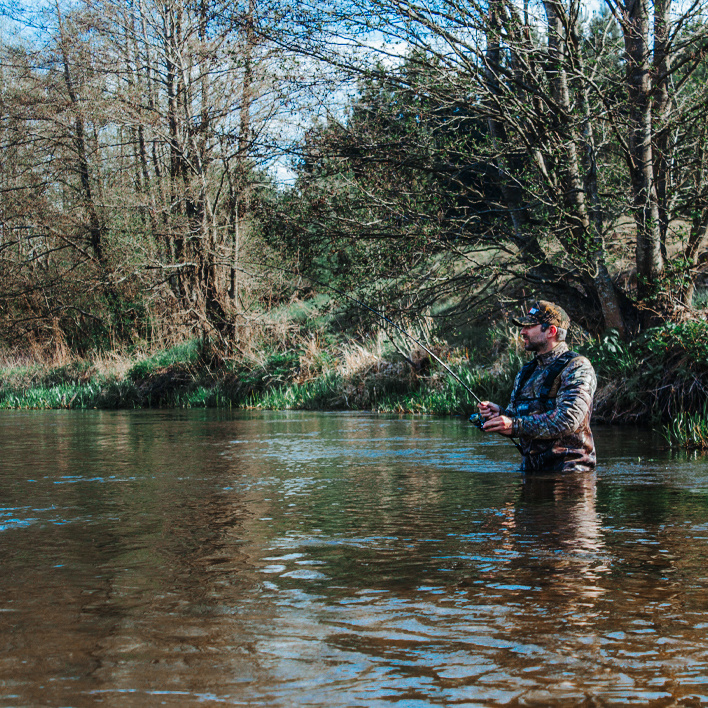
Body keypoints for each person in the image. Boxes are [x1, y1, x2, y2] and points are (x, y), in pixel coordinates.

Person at [478, 300, 597, 473]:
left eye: (529, 326)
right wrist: (501, 415)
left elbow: (567, 419)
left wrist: (514, 424)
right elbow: (518, 419)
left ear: (551, 331)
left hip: (570, 479)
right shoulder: (526, 372)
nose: (522, 332)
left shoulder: (577, 367)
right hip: (532, 474)